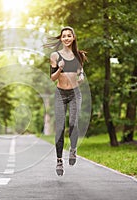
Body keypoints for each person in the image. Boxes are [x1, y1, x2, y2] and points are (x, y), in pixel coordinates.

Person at [45, 26, 87, 176]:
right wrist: (59, 69)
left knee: (73, 123)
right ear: (61, 38)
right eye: (64, 36)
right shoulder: (55, 56)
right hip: (60, 94)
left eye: (69, 35)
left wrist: (81, 76)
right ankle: (59, 160)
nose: (67, 38)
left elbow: (80, 74)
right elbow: (52, 78)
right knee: (61, 128)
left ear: (73, 38)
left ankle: (73, 149)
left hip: (75, 93)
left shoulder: (79, 56)